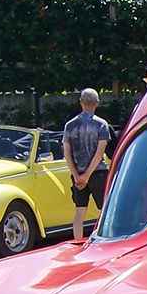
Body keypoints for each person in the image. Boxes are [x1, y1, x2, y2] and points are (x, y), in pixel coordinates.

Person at [62, 88, 112, 240]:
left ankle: (78, 241)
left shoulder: (70, 125)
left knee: (79, 212)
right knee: (103, 212)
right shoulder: (101, 125)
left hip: (77, 173)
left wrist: (78, 176)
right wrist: (87, 175)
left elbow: (67, 153)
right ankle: (105, 240)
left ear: (81, 102)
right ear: (97, 103)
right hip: (98, 173)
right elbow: (99, 152)